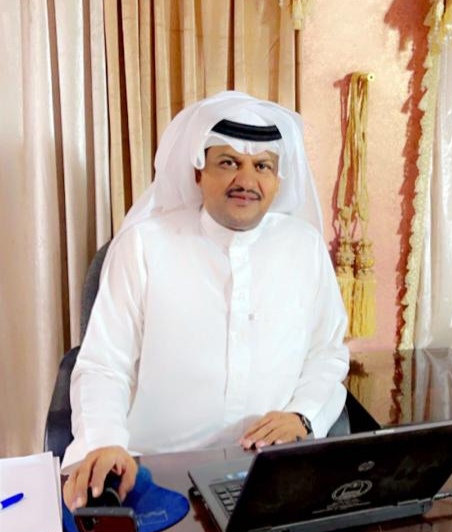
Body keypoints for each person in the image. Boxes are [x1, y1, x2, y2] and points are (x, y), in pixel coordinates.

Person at [62, 91, 349, 510]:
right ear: (198, 172)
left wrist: (303, 415)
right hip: (154, 474)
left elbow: (327, 353)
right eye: (228, 162)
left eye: (262, 166)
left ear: (277, 179)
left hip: (269, 473)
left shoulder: (304, 247)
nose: (246, 181)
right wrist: (104, 442)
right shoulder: (144, 245)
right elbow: (105, 365)